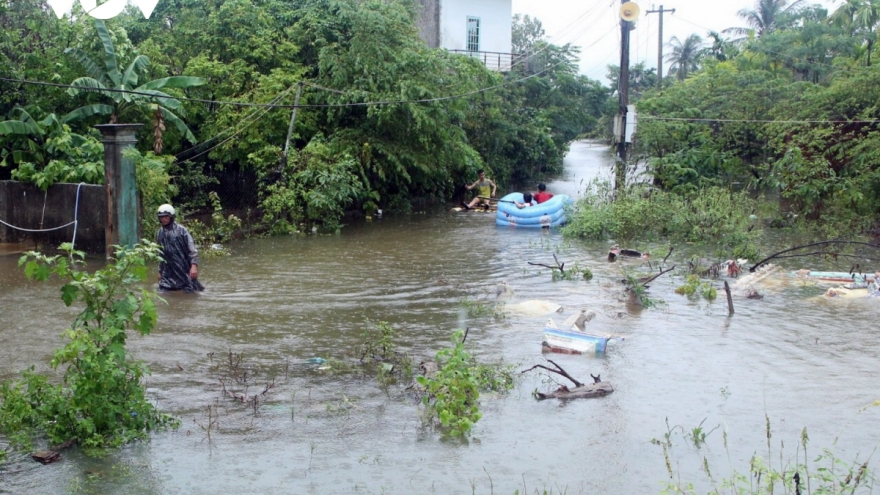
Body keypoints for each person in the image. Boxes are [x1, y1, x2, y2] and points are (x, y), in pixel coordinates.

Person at [156, 203, 204, 292]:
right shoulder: (160, 233)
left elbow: (192, 249)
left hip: (183, 268)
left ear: (171, 217)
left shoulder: (181, 230)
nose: (164, 219)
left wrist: (194, 266)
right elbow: (160, 254)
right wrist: (160, 271)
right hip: (168, 272)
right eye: (161, 217)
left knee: (190, 292)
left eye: (166, 216)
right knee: (163, 292)